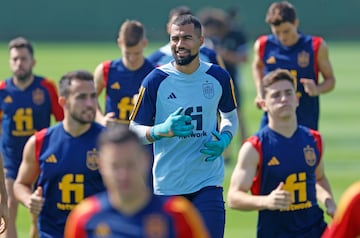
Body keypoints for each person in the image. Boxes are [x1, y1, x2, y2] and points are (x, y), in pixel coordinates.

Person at [129, 15, 238, 238]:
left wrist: (225, 138)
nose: (180, 44)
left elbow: (229, 116)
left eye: (187, 38)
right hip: (167, 187)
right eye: (175, 38)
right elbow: (133, 130)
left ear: (201, 41)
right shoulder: (155, 80)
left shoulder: (218, 76)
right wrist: (162, 130)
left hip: (208, 182)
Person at [227, 69, 336, 237]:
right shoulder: (254, 147)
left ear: (297, 99)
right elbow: (234, 197)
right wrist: (267, 201)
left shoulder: (314, 139)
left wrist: (329, 202)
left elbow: (318, 178)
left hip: (316, 231)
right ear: (263, 104)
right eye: (276, 95)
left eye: (288, 93)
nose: (284, 99)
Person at [64, 125, 210, 238]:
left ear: (145, 161)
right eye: (115, 166)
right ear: (101, 166)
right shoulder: (84, 218)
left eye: (130, 165)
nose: (123, 175)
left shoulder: (178, 214)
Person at [13, 70, 106, 237]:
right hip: (52, 233)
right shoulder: (40, 142)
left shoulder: (109, 142)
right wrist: (29, 200)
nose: (90, 103)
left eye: (93, 96)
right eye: (81, 97)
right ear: (63, 101)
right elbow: (20, 184)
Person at [0, 37, 64, 238]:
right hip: (11, 158)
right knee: (9, 207)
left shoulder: (46, 87)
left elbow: (63, 119)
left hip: (40, 157)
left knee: (39, 210)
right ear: (10, 62)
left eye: (24, 59)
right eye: (15, 59)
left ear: (32, 62)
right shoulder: (2, 90)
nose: (19, 63)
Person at [252, 1, 335, 130]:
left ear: (296, 23)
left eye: (286, 31)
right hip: (272, 118)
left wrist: (317, 89)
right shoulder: (263, 45)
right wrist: (260, 92)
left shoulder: (315, 46)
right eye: (277, 32)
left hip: (305, 116)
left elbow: (330, 80)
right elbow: (257, 66)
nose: (282, 36)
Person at [93, 19, 154, 127]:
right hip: (114, 138)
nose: (132, 58)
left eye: (137, 53)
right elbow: (90, 98)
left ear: (145, 43)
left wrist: (145, 106)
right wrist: (100, 119)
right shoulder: (105, 70)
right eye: (127, 53)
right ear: (119, 43)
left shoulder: (155, 73)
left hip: (144, 141)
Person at [147, 5, 226, 69]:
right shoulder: (155, 60)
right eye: (177, 23)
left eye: (187, 25)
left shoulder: (210, 56)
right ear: (168, 27)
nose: (182, 28)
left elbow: (221, 82)